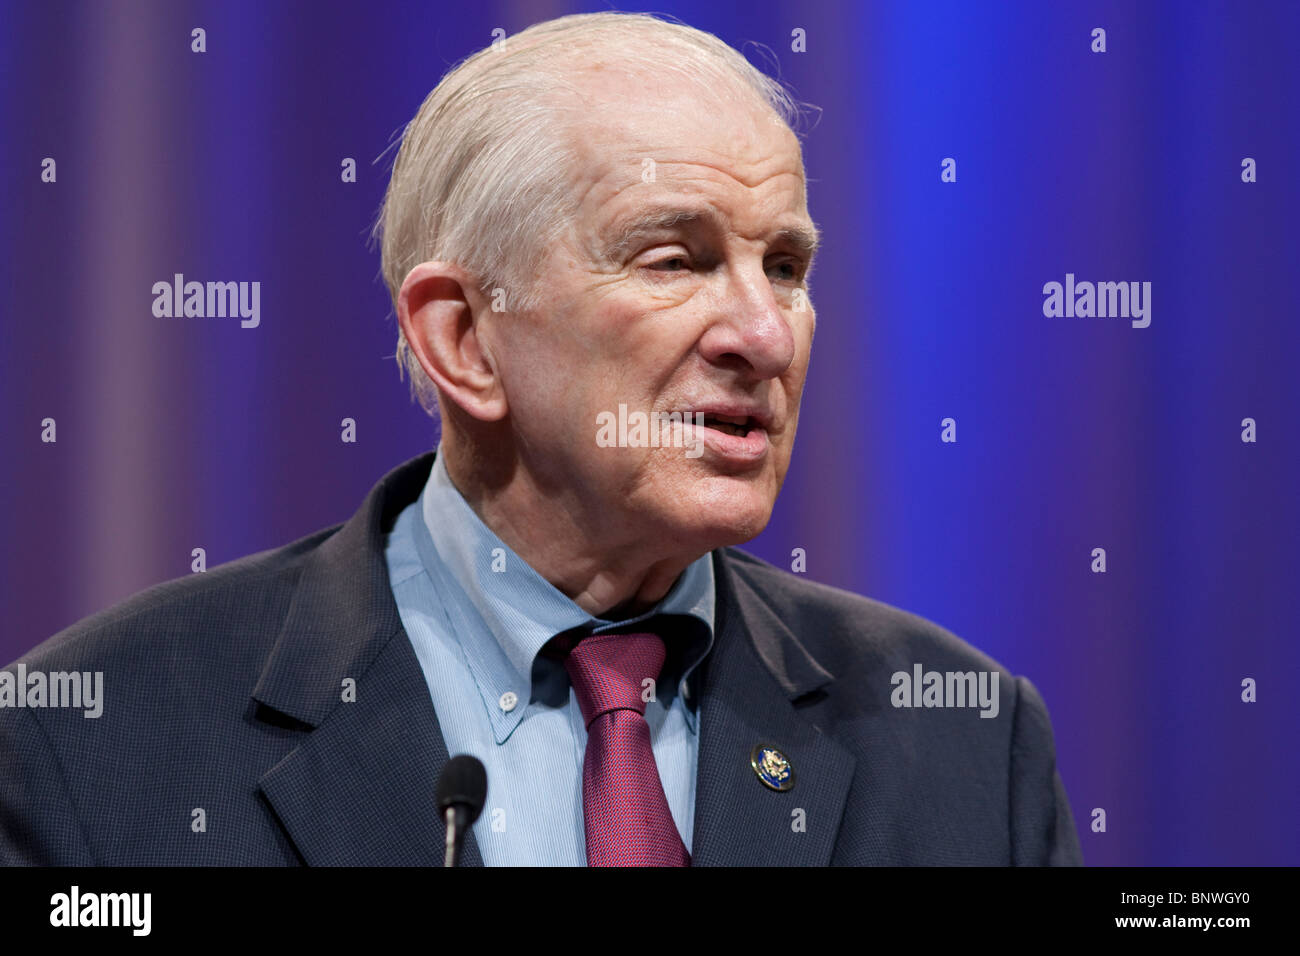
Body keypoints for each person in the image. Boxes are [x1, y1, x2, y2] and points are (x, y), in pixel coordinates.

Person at [0, 11, 1082, 866]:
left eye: (786, 266)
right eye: (674, 259)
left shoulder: (962, 739)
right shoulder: (96, 740)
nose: (762, 331)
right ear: (465, 339)